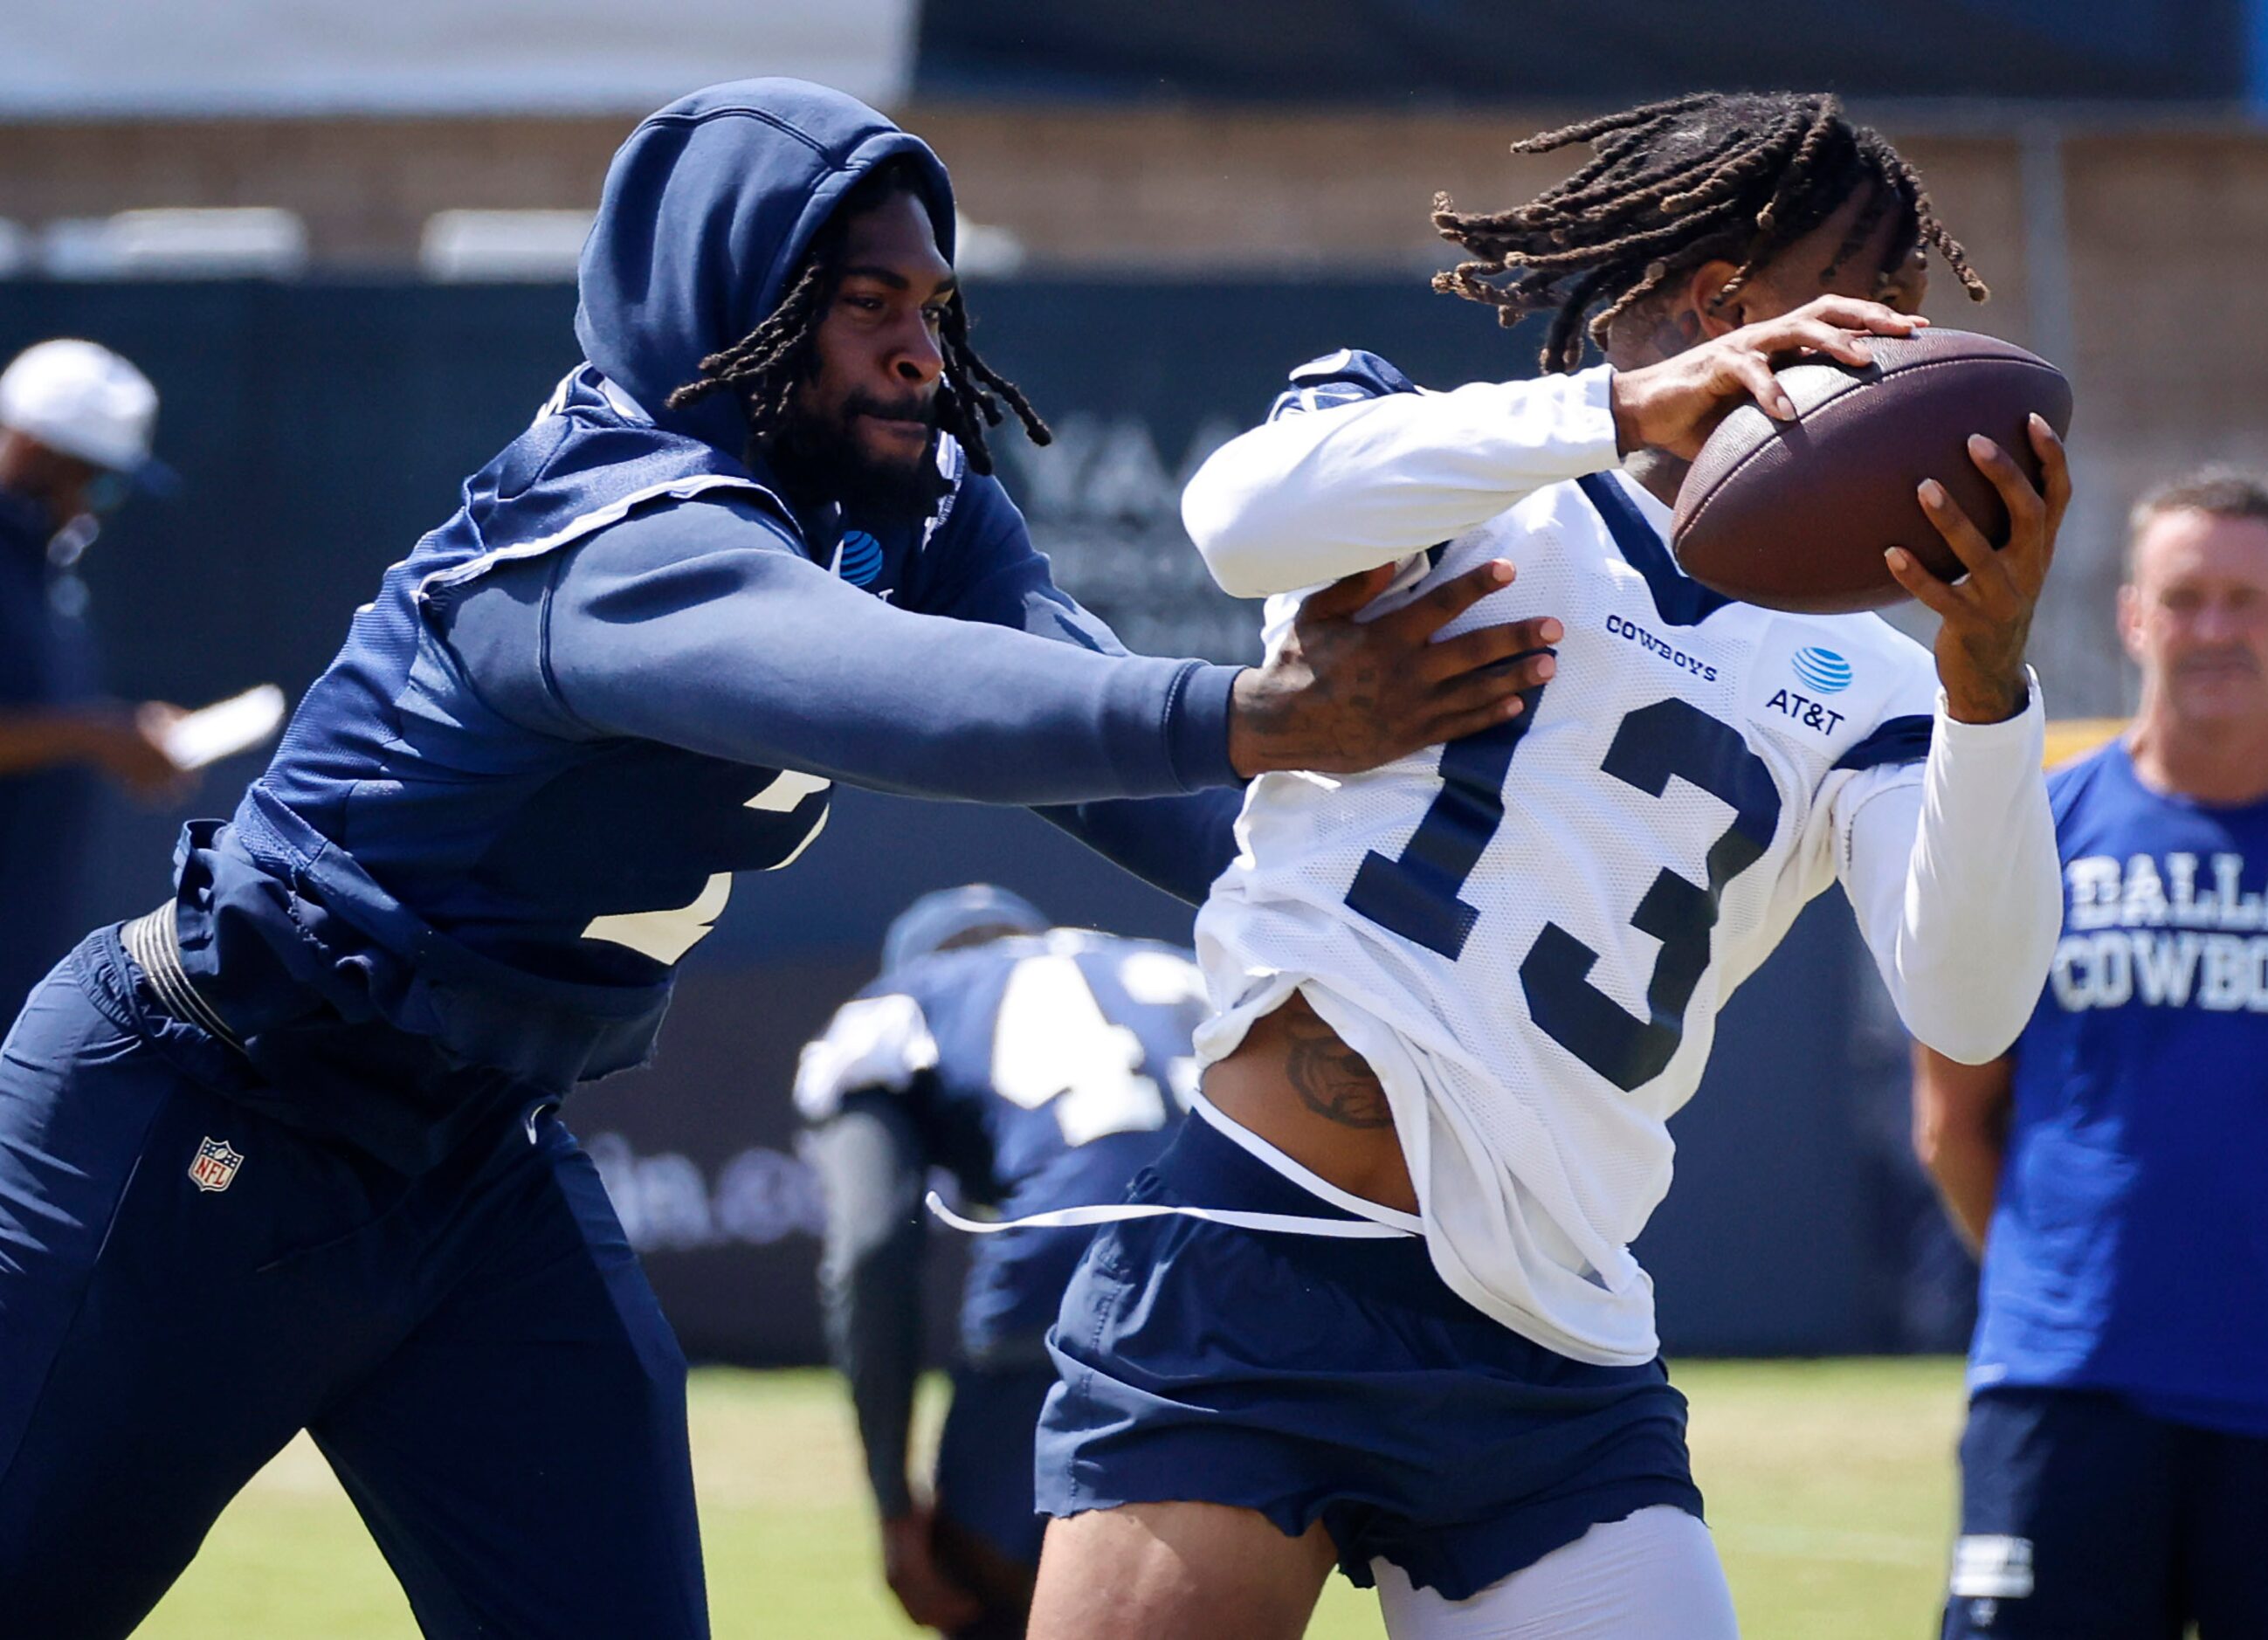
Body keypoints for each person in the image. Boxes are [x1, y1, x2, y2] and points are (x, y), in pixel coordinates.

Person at [0, 81, 1553, 1640]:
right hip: (203, 1119)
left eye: (936, 306)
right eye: (864, 303)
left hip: (472, 1165)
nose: (919, 353)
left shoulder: (908, 503)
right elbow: (893, 693)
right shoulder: (601, 524)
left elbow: (1104, 753)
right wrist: (1254, 713)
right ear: (728, 305)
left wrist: (1434, 908)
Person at [1018, 92, 2071, 1639]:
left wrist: (1988, 675)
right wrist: (1624, 409)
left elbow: (1972, 1005)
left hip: (1547, 1336)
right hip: (1268, 1240)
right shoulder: (1460, 462)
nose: (1913, 368)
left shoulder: (1880, 681)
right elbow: (1236, 518)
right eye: (1883, 317)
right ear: (1726, 303)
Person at [1915, 468, 2268, 1639]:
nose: (2212, 628)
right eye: (2183, 597)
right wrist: (2062, 1283)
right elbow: (1952, 1118)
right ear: (2130, 616)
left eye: (2244, 600)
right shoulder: (2036, 829)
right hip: (2064, 1392)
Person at [796, 885, 1207, 1638]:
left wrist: (893, 1504)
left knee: (981, 1596)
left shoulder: (901, 1003)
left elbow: (872, 1243)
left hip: (1078, 1272)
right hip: (1282, 1264)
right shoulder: (1171, 966)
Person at [0, 338, 190, 1016]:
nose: (99, 506)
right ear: (31, 452)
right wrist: (95, 734)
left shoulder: (39, 567)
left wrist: (117, 731)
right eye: (96, 480)